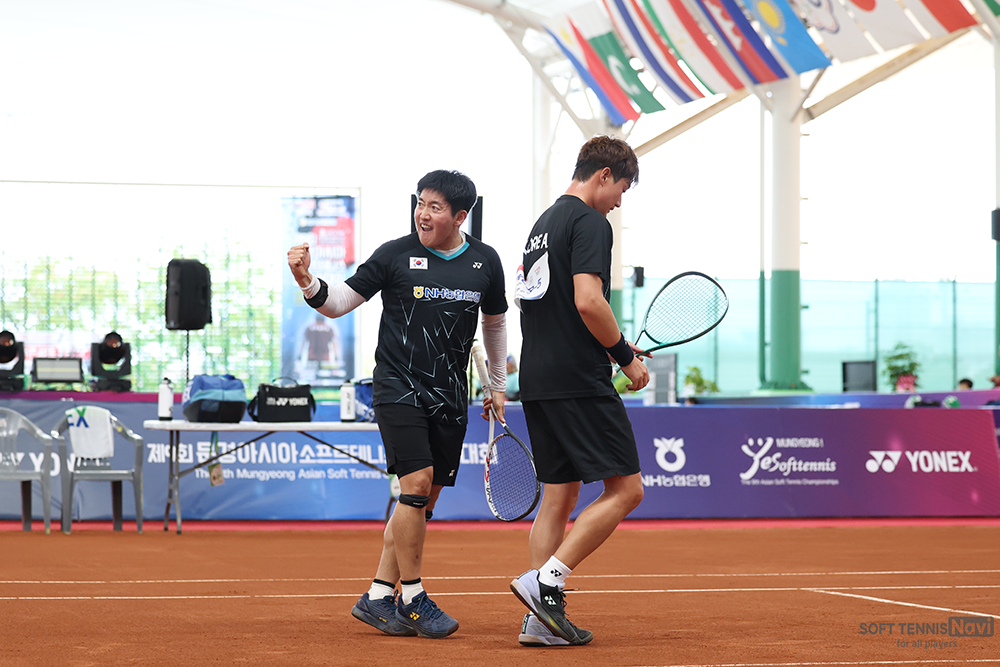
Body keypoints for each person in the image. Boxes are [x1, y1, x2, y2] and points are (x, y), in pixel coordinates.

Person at [287, 170, 508, 639]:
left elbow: (494, 323)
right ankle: (413, 597)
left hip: (450, 394)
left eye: (435, 207)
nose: (422, 214)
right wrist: (307, 281)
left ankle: (376, 595)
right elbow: (339, 301)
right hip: (398, 386)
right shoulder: (395, 254)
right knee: (416, 483)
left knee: (421, 502)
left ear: (460, 217)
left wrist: (497, 384)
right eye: (420, 203)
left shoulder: (485, 261)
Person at [510, 136, 648, 647]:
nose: (618, 204)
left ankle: (538, 621)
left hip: (538, 378)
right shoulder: (591, 222)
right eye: (622, 190)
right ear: (605, 175)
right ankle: (546, 581)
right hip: (576, 379)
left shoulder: (541, 226)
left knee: (559, 495)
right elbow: (588, 301)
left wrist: (615, 343)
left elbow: (558, 309)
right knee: (627, 490)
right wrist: (625, 358)